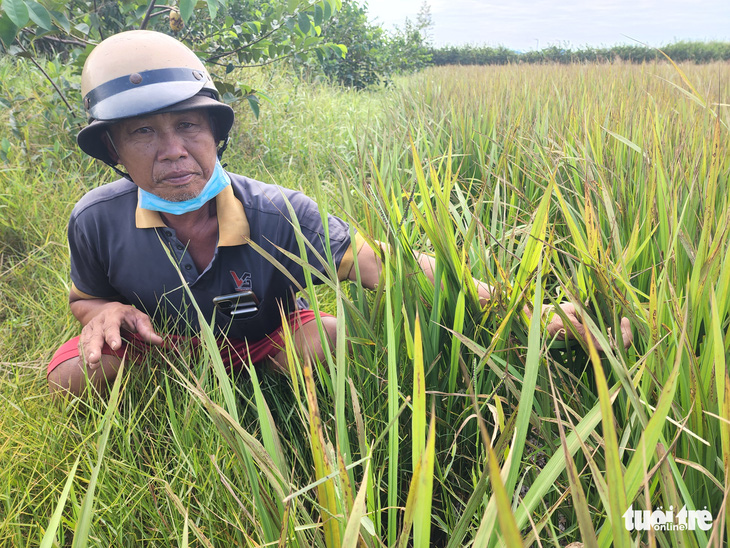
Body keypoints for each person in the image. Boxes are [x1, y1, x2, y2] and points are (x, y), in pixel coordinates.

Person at [47, 30, 632, 397]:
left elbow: (388, 268)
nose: (172, 149)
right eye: (143, 132)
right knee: (69, 378)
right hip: (163, 345)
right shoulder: (96, 219)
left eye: (188, 125)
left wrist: (527, 311)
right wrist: (105, 311)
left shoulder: (276, 213)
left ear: (215, 135)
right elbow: (84, 299)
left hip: (265, 339)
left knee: (339, 342)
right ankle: (170, 385)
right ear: (115, 152)